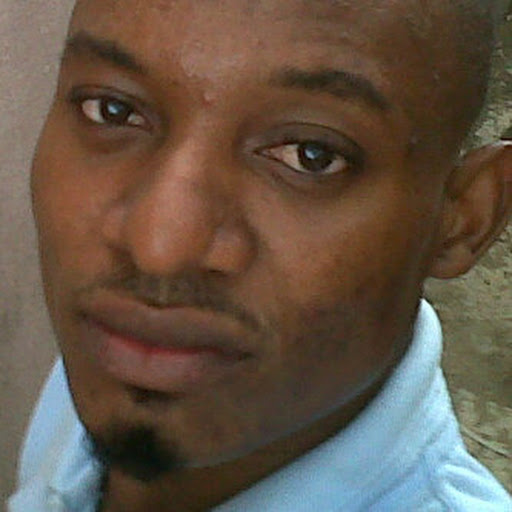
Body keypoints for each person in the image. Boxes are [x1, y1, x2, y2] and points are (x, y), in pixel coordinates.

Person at [8, 0, 512, 510]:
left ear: (465, 220)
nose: (159, 248)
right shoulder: (138, 347)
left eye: (311, 156)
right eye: (113, 110)